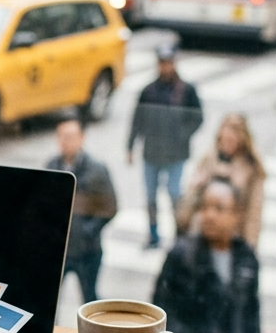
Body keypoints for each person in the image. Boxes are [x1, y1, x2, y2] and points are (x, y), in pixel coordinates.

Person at [153, 179, 262, 333]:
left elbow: (251, 318)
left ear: (237, 214)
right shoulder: (182, 255)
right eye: (204, 207)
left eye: (219, 208)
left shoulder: (246, 258)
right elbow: (162, 313)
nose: (210, 215)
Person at [127, 43, 203, 248]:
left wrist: (182, 135)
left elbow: (197, 117)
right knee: (150, 196)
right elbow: (137, 119)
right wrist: (130, 146)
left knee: (174, 193)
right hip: (152, 153)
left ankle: (180, 233)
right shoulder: (149, 91)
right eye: (162, 62)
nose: (165, 67)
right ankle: (153, 234)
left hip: (175, 154)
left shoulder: (186, 90)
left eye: (168, 62)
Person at [46, 118, 118, 303]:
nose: (65, 141)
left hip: (87, 250)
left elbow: (110, 206)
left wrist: (87, 230)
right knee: (49, 299)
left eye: (70, 136)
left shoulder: (96, 170)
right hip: (58, 249)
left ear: (81, 138)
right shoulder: (52, 166)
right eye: (61, 136)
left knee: (89, 299)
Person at [175, 113, 266, 246]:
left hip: (231, 240)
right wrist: (195, 186)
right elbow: (186, 211)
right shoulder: (208, 161)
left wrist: (249, 247)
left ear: (241, 141)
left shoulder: (251, 168)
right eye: (224, 140)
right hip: (202, 237)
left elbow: (254, 215)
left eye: (231, 140)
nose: (227, 145)